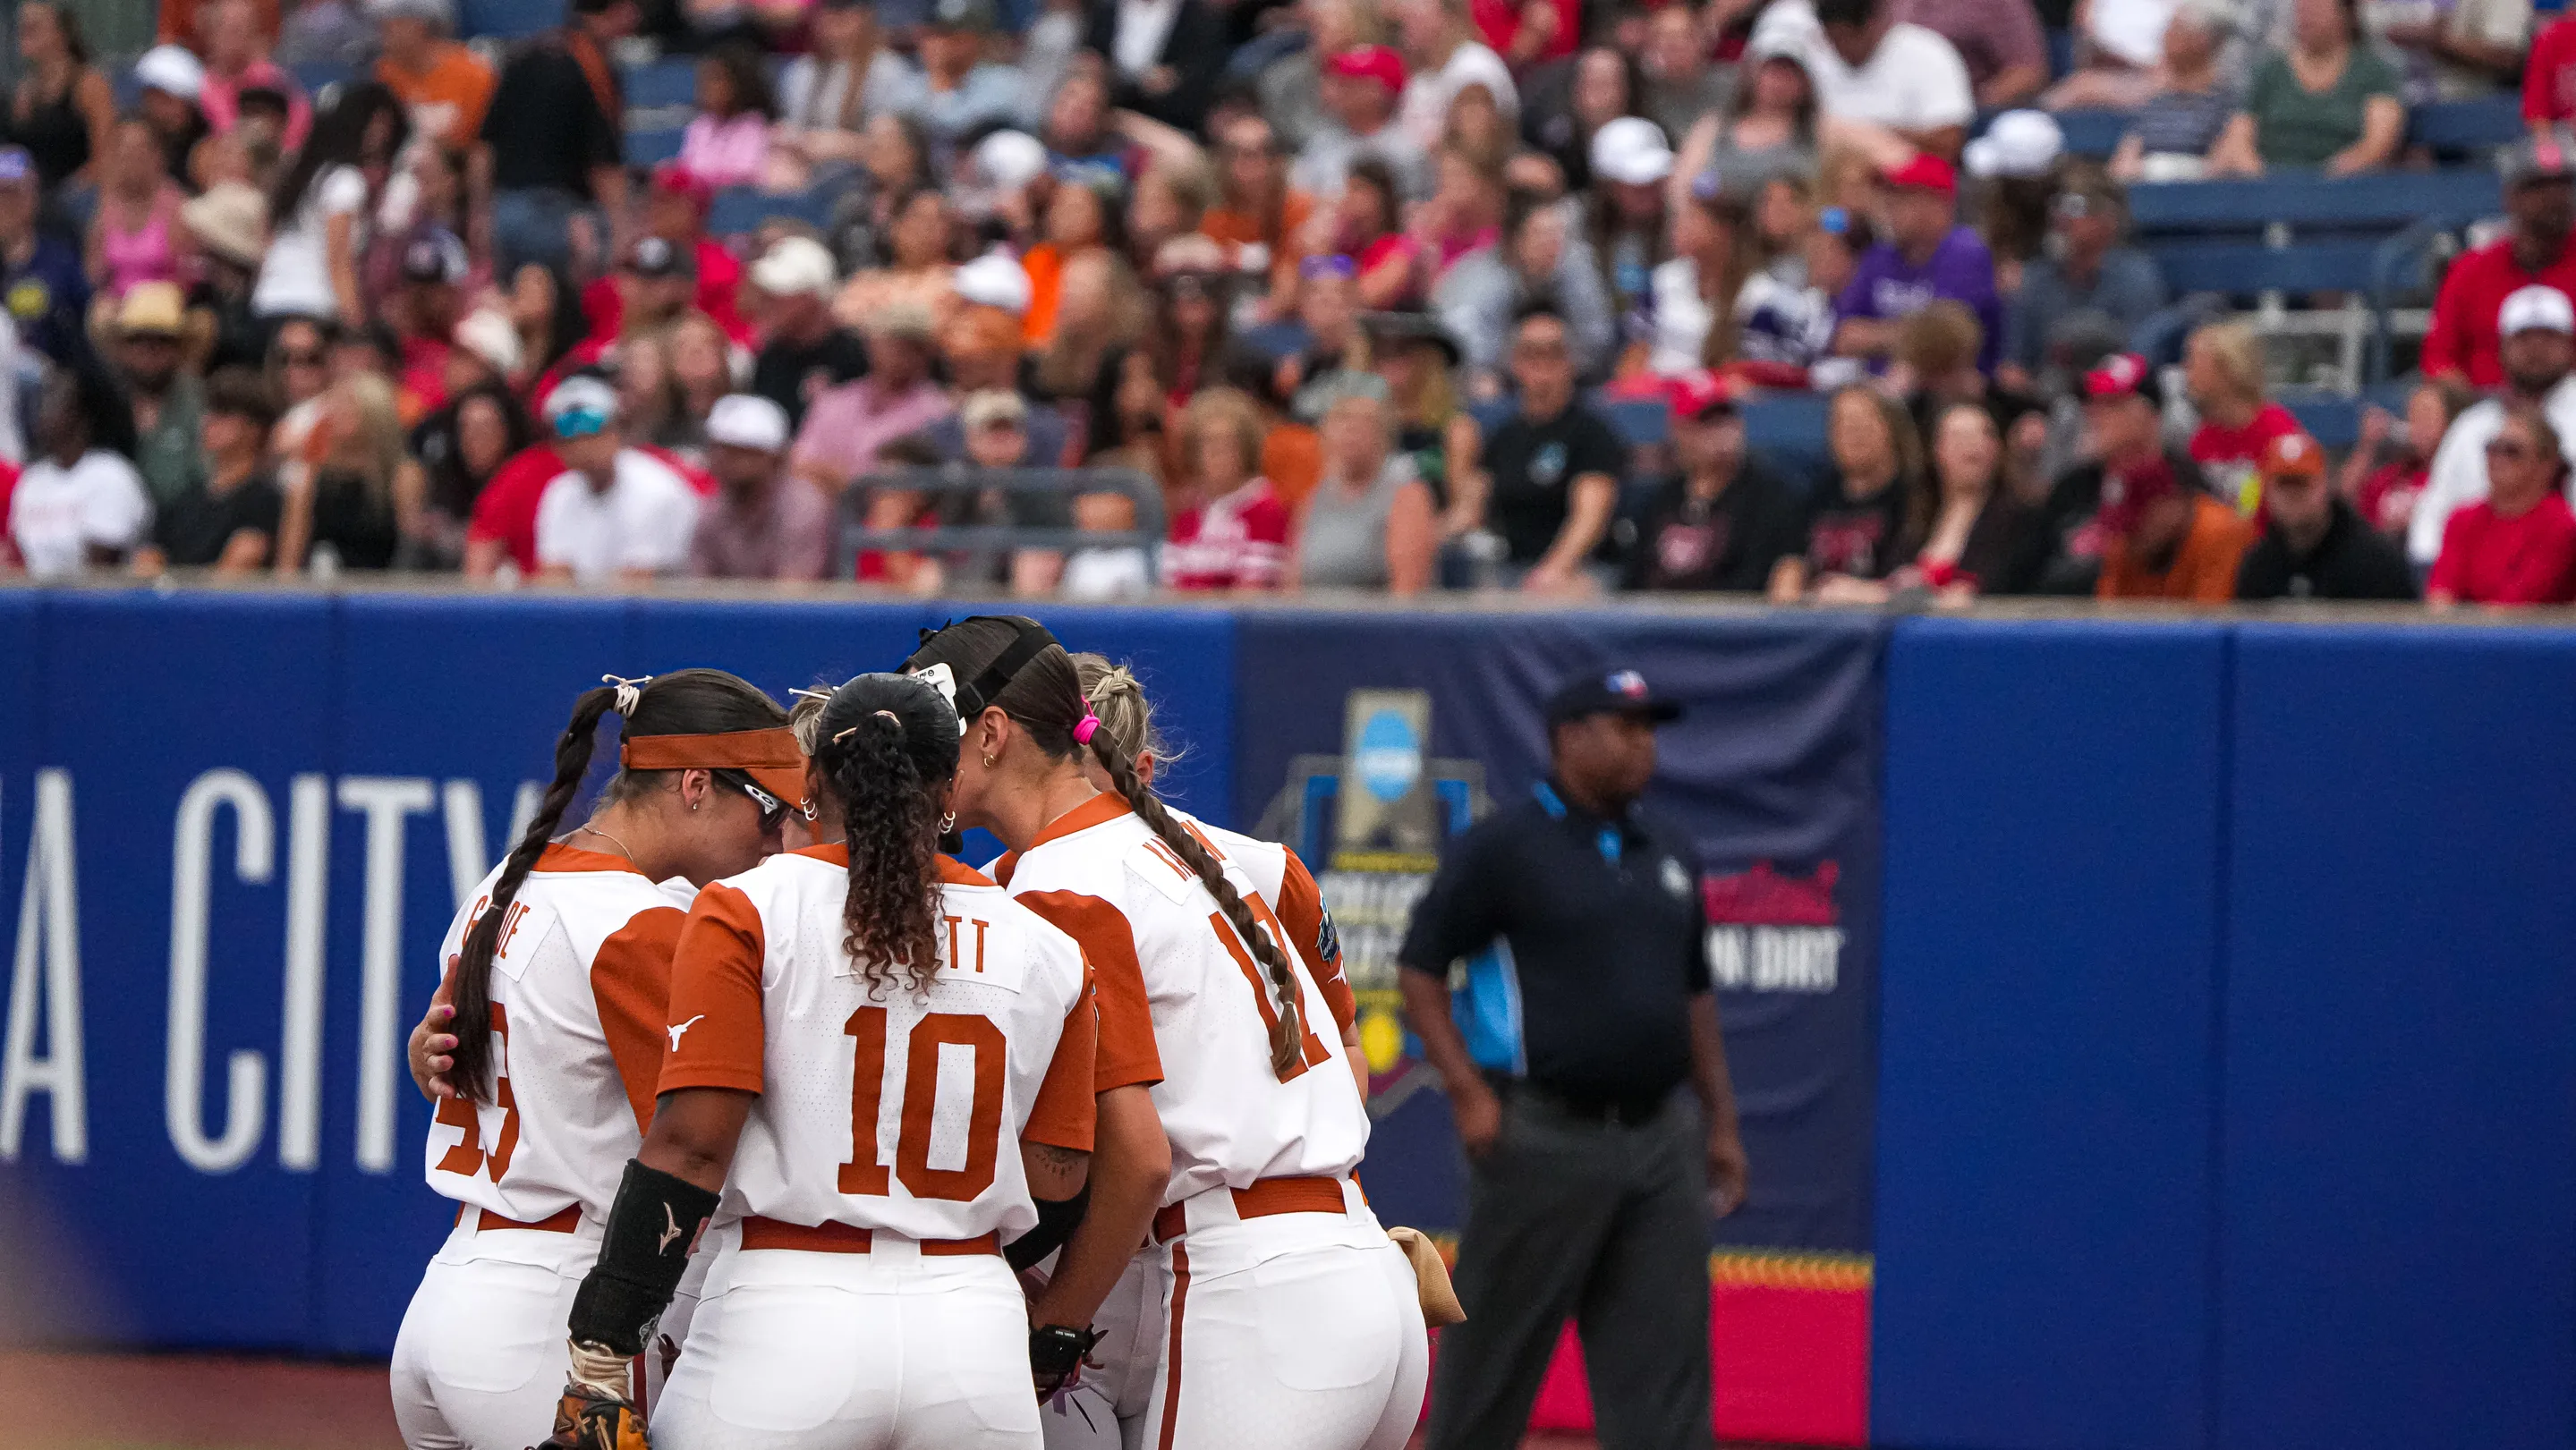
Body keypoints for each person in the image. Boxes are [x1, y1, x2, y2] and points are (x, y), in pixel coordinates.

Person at [532, 665, 1106, 1450]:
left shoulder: (743, 907)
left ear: (812, 782)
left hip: (786, 1309)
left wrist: (602, 1353)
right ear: (948, 788)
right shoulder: (1048, 945)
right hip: (973, 1330)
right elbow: (1059, 1176)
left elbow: (693, 1145)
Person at [900, 615, 1426, 1450]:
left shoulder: (1062, 880)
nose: (915, 768)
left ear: (991, 733)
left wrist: (1053, 1327)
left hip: (1254, 1288)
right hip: (1349, 1263)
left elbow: (1134, 1158)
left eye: (931, 739)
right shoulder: (1186, 846)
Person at [389, 668, 795, 1450]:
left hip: (451, 1295)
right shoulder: (638, 921)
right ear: (697, 784)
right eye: (770, 809)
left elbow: (442, 1049)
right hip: (555, 1313)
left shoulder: (506, 881)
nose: (776, 837)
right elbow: (700, 1147)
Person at [1399, 665, 1747, 1450]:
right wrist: (1467, 1092)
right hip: (1542, 1134)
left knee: (1665, 1365)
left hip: (1660, 1137)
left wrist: (1720, 1124)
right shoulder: (1504, 848)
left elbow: (1694, 996)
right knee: (1493, 1358)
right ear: (1567, 738)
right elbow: (1420, 966)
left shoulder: (1671, 850)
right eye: (1625, 727)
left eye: (1648, 729)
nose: (1643, 746)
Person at [2410, 285, 2576, 568]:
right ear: (2502, 347)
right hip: (2476, 596)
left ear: (2570, 345)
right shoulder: (2471, 426)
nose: (2536, 348)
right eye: (2523, 337)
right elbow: (2432, 522)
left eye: (2549, 336)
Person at [1470, 303, 1625, 593]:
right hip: (1511, 567)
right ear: (1515, 363)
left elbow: (1590, 517)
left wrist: (1553, 570)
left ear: (1571, 363)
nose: (1542, 366)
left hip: (1581, 568)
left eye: (1554, 354)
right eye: (1531, 354)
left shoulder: (1592, 433)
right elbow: (1474, 506)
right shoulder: (1503, 437)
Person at [478, 0, 633, 276]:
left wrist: (481, 213)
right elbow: (603, 164)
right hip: (560, 217)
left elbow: (483, 148)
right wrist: (622, 230)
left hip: (505, 213)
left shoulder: (523, 56)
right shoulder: (591, 67)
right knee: (564, 311)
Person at [1627, 370, 1805, 592]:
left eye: (1727, 418)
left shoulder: (1771, 497)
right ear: (1680, 431)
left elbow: (1759, 583)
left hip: (1732, 623)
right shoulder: (1662, 500)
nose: (1722, 432)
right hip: (1654, 620)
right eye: (1707, 422)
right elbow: (1634, 579)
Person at [2421, 135, 2576, 391]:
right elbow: (2438, 361)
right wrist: (2481, 411)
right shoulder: (2471, 269)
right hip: (2487, 414)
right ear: (2511, 196)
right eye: (2538, 186)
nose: (2555, 197)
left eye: (2563, 185)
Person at [255, 82, 410, 328]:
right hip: (314, 305)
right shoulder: (346, 181)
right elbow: (338, 256)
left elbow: (266, 240)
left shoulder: (297, 176)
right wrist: (356, 322)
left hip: (269, 300)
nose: (382, 135)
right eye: (376, 124)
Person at [1833, 155, 2001, 373]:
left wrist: (1877, 336)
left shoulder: (1966, 253)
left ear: (1937, 203)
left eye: (1903, 196)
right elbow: (1844, 337)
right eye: (1888, 196)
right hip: (1880, 392)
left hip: (1947, 396)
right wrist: (1909, 334)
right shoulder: (1879, 256)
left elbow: (1941, 340)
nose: (1889, 205)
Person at [1999, 177, 2164, 394]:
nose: (2062, 219)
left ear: (2107, 221)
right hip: (2045, 400)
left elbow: (2140, 362)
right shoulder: (2035, 279)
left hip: (2114, 396)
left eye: (2075, 209)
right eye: (2058, 207)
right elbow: (2013, 366)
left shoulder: (2136, 278)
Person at [1438, 186, 1616, 386]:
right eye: (1540, 234)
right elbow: (1467, 354)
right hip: (1493, 380)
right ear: (1515, 241)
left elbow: (1597, 340)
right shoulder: (1481, 280)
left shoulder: (1575, 266)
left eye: (1557, 234)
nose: (1551, 244)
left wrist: (1554, 370)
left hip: (1566, 380)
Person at [531, 377, 701, 584]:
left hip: (666, 610)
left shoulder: (655, 490)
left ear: (616, 432)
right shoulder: (559, 493)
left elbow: (637, 585)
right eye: (569, 434)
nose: (582, 444)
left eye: (593, 429)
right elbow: (553, 577)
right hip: (590, 610)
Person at [1769, 383, 1930, 598]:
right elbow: (1791, 561)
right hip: (1817, 621)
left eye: (1863, 423)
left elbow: (1918, 581)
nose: (1852, 434)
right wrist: (1788, 579)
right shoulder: (1818, 496)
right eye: (1842, 424)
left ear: (1892, 429)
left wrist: (1866, 593)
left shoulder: (1917, 499)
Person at [2206, 0, 2403, 176]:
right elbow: (2240, 134)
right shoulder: (2268, 70)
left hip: (2344, 190)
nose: (2306, 17)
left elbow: (2377, 143)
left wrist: (2323, 182)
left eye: (2316, 9)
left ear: (2344, 14)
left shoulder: (2374, 72)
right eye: (2301, 10)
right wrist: (2263, 180)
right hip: (2267, 186)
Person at [1762, 0, 1974, 159]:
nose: (1839, 47)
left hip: (1902, 179)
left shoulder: (1929, 53)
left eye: (1846, 37)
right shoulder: (1812, 54)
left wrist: (1864, 135)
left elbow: (1950, 141)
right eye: (1831, 38)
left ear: (1874, 24)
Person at [791, 304, 952, 496]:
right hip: (824, 516)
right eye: (893, 341)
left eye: (914, 345)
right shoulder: (836, 402)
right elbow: (798, 465)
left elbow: (908, 484)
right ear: (871, 344)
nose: (902, 353)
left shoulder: (939, 412)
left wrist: (845, 480)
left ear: (928, 352)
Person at [2234, 431, 2418, 599]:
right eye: (2283, 485)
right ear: (2267, 492)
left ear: (2326, 486)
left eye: (2302, 483)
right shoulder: (2258, 566)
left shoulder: (2374, 561)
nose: (2293, 496)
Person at [2427, 401, 2576, 606]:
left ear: (2546, 465)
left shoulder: (2560, 525)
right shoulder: (2462, 519)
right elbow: (2440, 594)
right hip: (2464, 633)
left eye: (2512, 451)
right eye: (2492, 448)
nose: (2498, 458)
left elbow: (2518, 604)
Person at [135, 366, 282, 574]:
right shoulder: (185, 499)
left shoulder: (264, 500)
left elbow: (236, 570)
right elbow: (148, 559)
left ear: (254, 428)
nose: (209, 421)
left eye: (223, 412)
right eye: (208, 411)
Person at [6, 363, 148, 577]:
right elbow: (17, 559)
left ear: (81, 415)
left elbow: (100, 572)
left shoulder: (110, 476)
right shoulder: (33, 480)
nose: (43, 410)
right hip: (35, 604)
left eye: (54, 401)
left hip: (95, 605)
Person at [1292, 386, 1438, 591]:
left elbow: (1407, 592)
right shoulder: (1313, 498)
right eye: (1342, 421)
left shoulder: (1407, 497)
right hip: (1313, 618)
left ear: (1384, 437)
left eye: (1365, 424)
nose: (1351, 431)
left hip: (1374, 620)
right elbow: (1292, 582)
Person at [2093, 425, 2254, 603]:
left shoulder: (2219, 530)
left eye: (2136, 522)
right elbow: (2108, 619)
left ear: (2171, 505)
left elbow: (2209, 625)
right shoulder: (2123, 537)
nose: (2127, 535)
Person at [277, 372, 415, 572]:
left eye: (348, 404)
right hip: (319, 592)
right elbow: (288, 562)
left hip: (384, 592)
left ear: (375, 411)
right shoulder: (311, 478)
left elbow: (411, 550)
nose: (337, 411)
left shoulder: (402, 475)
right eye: (335, 404)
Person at [690, 394, 832, 581]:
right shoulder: (712, 508)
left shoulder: (803, 508)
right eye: (720, 449)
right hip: (727, 608)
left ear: (776, 458)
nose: (725, 460)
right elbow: (697, 589)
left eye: (743, 452)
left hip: (791, 609)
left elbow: (794, 597)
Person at [1166, 386, 1295, 591]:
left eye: (1228, 443)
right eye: (1208, 443)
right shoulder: (1188, 512)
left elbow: (1253, 592)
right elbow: (1170, 587)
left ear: (1246, 447)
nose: (1218, 453)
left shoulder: (1267, 509)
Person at [2182, 321, 2302, 520]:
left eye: (2195, 360)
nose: (2186, 369)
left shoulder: (2277, 433)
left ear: (2227, 370)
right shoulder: (2201, 439)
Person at [748, 236, 868, 433]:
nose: (767, 300)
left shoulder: (857, 357)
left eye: (779, 292)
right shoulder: (769, 358)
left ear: (812, 297)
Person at [2108, 2, 2238, 183]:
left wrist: (2161, 170)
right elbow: (2122, 164)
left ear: (2202, 39)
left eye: (2175, 29)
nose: (2165, 37)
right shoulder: (2154, 102)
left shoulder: (2229, 103)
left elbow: (2223, 164)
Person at [105, 283, 203, 514]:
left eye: (163, 338)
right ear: (121, 347)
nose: (149, 348)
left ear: (180, 347)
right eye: (137, 338)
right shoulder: (102, 404)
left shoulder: (201, 403)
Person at [895, 0, 1029, 166]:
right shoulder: (910, 86)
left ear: (978, 40)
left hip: (983, 182)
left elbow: (959, 130)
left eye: (956, 37)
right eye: (938, 35)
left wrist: (941, 87)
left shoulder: (1005, 83)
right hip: (921, 182)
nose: (944, 45)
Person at [5, 3, 115, 197]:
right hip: (33, 197)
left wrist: (68, 192)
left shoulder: (89, 85)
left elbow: (105, 156)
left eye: (34, 27)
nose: (24, 32)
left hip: (79, 195)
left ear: (61, 33)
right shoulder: (24, 92)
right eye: (22, 27)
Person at [2342, 378, 2471, 540]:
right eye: (2412, 415)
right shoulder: (2396, 474)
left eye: (2426, 415)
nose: (2416, 425)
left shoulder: (2463, 479)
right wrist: (2367, 446)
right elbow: (2345, 500)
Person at [0, 146, 90, 363]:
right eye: (1, 196)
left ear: (32, 198)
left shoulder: (60, 258)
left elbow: (84, 312)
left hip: (53, 369)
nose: (6, 206)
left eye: (14, 195)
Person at [1394, 0, 1518, 156]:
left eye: (1414, 17)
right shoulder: (1422, 76)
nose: (1406, 27)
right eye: (1405, 19)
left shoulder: (1475, 67)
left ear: (1447, 17)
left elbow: (1477, 148)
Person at [1085, 0, 1228, 133]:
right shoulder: (1107, 9)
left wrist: (1175, 76)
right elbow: (1091, 52)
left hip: (1163, 117)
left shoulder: (1197, 17)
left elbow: (1200, 67)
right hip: (1105, 106)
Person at [372, 0, 495, 152]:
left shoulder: (474, 74)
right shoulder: (385, 73)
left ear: (420, 25)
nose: (383, 32)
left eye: (394, 22)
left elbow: (481, 144)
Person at [1893, 0, 2049, 109]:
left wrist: (1967, 108)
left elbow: (2028, 72)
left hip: (1966, 120)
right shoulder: (1881, 6)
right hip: (1885, 110)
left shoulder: (1998, 4)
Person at [676, 44, 778, 192]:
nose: (706, 89)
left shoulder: (754, 125)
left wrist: (699, 181)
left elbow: (744, 175)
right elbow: (687, 168)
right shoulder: (700, 125)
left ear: (737, 84)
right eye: (703, 81)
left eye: (715, 80)